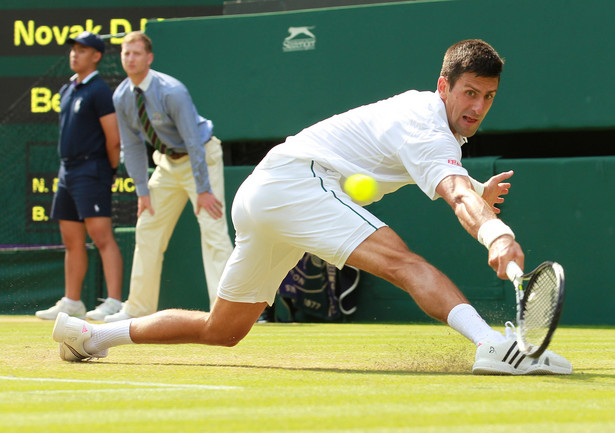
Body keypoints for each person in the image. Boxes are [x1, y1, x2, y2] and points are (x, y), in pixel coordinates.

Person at [52, 39, 572, 375]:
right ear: (444, 87)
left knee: (223, 329)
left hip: (264, 191)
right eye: (469, 93)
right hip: (298, 182)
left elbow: (453, 182)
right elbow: (454, 193)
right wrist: (495, 233)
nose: (477, 107)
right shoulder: (427, 124)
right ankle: (490, 345)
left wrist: (474, 191)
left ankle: (90, 335)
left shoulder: (431, 125)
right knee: (405, 263)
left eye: (488, 97)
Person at [103, 31, 233, 322]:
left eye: (137, 53)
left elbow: (192, 140)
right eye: (126, 53)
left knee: (213, 232)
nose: (131, 58)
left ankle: (228, 311)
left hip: (201, 159)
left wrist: (203, 189)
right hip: (166, 165)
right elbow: (132, 145)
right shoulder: (122, 96)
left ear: (149, 58)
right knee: (147, 228)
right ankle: (137, 308)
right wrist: (142, 192)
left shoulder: (171, 91)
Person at [36, 31, 123, 321]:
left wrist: (107, 171)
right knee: (71, 239)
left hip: (92, 169)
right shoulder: (68, 89)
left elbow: (114, 139)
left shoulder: (99, 90)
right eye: (73, 49)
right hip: (67, 171)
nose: (75, 54)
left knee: (101, 237)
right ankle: (72, 302)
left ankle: (113, 302)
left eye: (82, 50)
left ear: (96, 56)